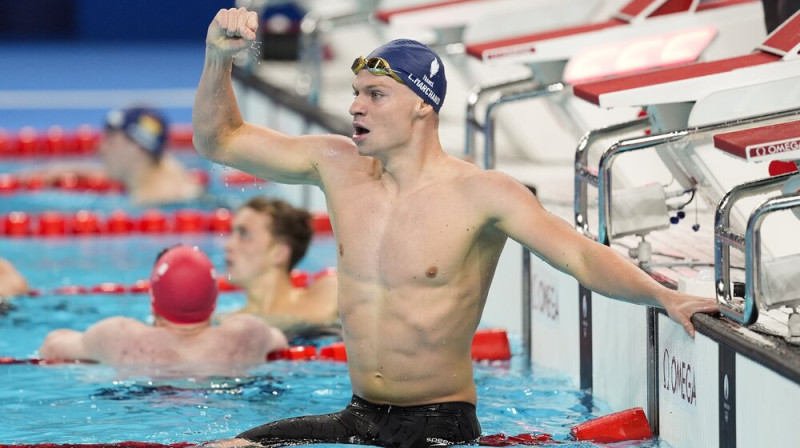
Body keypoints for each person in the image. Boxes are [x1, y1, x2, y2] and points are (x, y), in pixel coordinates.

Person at [193, 7, 720, 447]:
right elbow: (220, 141)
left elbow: (580, 257)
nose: (355, 106)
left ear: (424, 104)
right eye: (356, 92)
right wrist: (218, 58)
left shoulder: (481, 194)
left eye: (376, 94)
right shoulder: (338, 166)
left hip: (438, 426)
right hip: (355, 417)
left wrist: (662, 296)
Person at [38, 245, 287, 370]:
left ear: (153, 297)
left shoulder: (119, 335)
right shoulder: (248, 332)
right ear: (214, 298)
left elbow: (51, 345)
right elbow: (281, 341)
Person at [34, 106, 205, 206]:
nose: (100, 148)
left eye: (111, 141)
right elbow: (113, 172)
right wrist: (66, 169)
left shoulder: (149, 201)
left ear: (136, 147)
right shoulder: (166, 166)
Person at [220, 196, 338, 336]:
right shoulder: (226, 321)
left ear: (279, 253)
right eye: (232, 233)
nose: (228, 245)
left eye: (244, 234)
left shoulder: (326, 293)